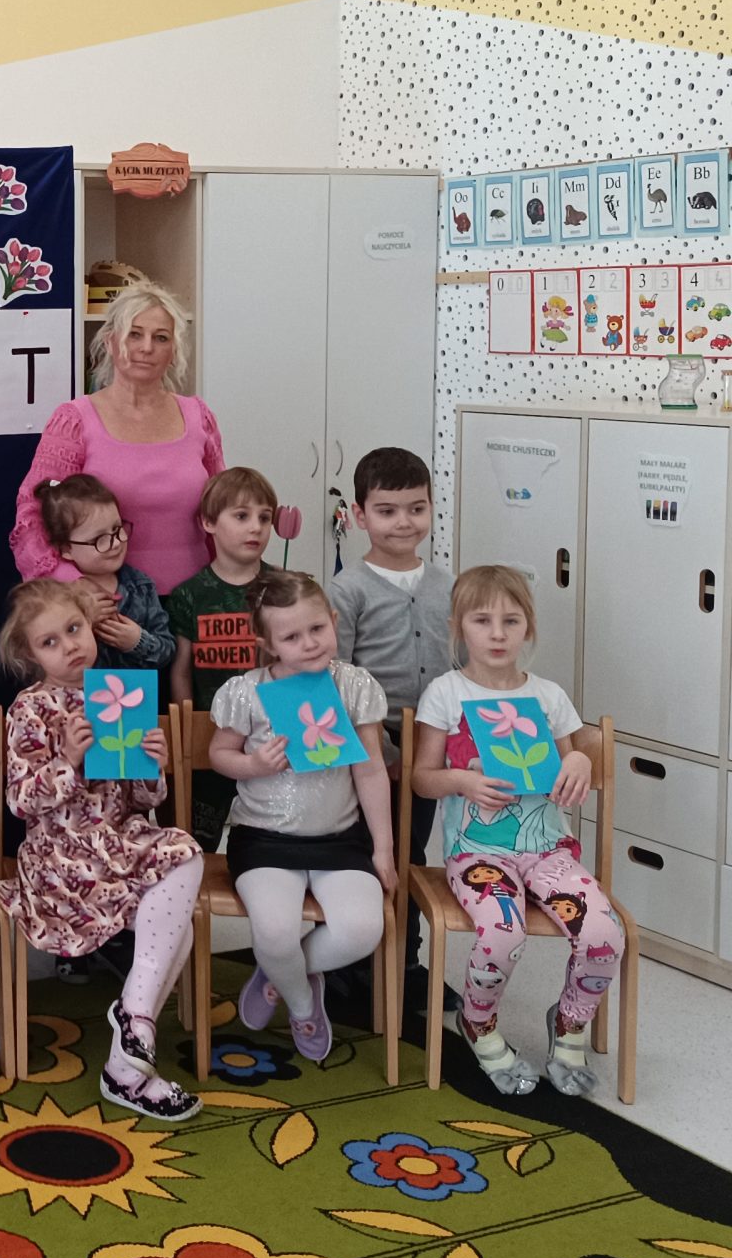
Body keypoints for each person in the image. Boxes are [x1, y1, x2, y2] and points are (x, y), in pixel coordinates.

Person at [0, 579, 203, 1122]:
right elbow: (20, 800)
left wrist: (152, 766)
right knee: (180, 923)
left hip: (116, 841)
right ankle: (129, 1061)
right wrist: (68, 760)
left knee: (184, 855)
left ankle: (131, 1041)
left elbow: (140, 801)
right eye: (50, 642)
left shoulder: (116, 693)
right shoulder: (30, 709)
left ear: (91, 626)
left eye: (74, 629)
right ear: (29, 655)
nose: (69, 646)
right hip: (60, 856)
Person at [413, 567, 620, 1098]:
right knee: (503, 933)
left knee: (604, 934)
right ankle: (478, 1023)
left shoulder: (548, 695)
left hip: (548, 850)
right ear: (458, 627)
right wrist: (462, 780)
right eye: (482, 620)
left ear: (529, 626)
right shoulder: (445, 693)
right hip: (477, 854)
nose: (498, 633)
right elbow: (421, 778)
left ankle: (569, 1025)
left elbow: (576, 759)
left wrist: (579, 759)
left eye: (511, 620)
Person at [206, 572, 394, 1064]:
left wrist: (383, 849)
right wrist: (253, 765)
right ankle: (304, 1004)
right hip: (263, 838)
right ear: (267, 644)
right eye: (291, 637)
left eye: (317, 629)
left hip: (340, 839)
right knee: (274, 932)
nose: (309, 643)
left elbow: (371, 769)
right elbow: (219, 754)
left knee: (362, 930)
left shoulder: (352, 685)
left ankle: (279, 971)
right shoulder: (246, 692)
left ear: (333, 621)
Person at [326, 447, 457, 1021]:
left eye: (416, 508)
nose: (404, 522)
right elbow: (337, 678)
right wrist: (379, 750)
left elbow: (458, 669)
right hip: (368, 746)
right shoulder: (346, 589)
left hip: (427, 742)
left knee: (412, 854)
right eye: (386, 511)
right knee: (363, 853)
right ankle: (350, 967)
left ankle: (406, 964)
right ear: (360, 516)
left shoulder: (447, 585)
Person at [10, 280, 223, 596]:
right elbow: (32, 515)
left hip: (196, 603)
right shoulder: (74, 421)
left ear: (174, 350)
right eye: (134, 334)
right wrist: (74, 585)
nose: (146, 347)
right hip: (107, 607)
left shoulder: (199, 417)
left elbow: (222, 512)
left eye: (161, 337)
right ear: (110, 341)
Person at [166, 466, 278, 851]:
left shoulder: (282, 588)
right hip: (210, 735)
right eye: (242, 516)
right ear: (209, 522)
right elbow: (181, 670)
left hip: (270, 737)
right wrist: (189, 727)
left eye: (265, 517)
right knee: (199, 842)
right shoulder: (189, 594)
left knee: (267, 840)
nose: (256, 528)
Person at [31, 474, 175, 671]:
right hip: (79, 691)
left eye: (117, 529)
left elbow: (167, 651)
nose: (115, 543)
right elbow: (42, 655)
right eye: (99, 539)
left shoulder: (142, 586)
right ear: (66, 549)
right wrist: (80, 623)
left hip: (137, 690)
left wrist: (138, 641)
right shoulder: (55, 597)